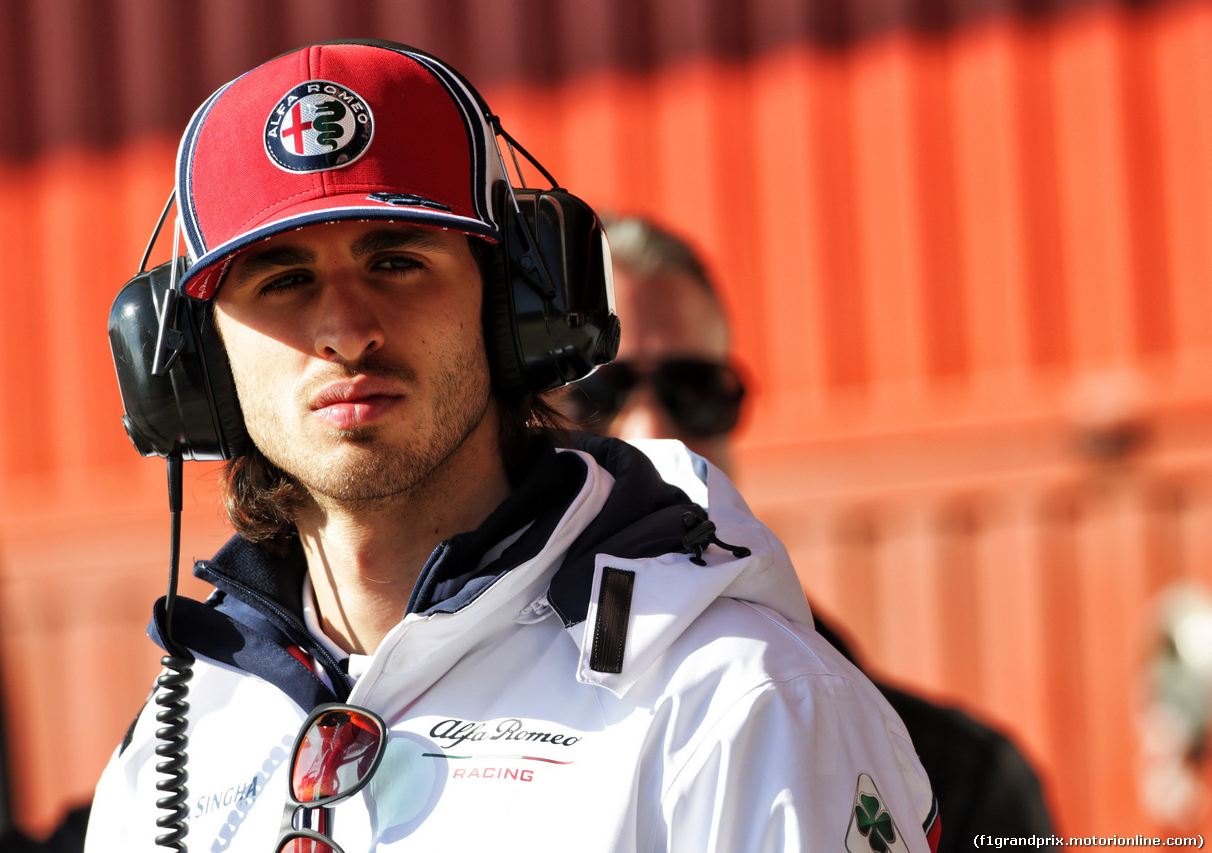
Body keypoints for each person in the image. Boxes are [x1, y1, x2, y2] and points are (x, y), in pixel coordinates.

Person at [86, 41, 941, 852]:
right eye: (284, 279)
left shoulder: (737, 701)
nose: (346, 331)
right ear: (196, 368)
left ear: (516, 314)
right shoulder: (172, 751)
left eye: (396, 262)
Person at [559, 214, 1057, 853]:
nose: (654, 429)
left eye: (696, 391)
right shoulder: (427, 730)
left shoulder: (956, 776)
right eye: (599, 391)